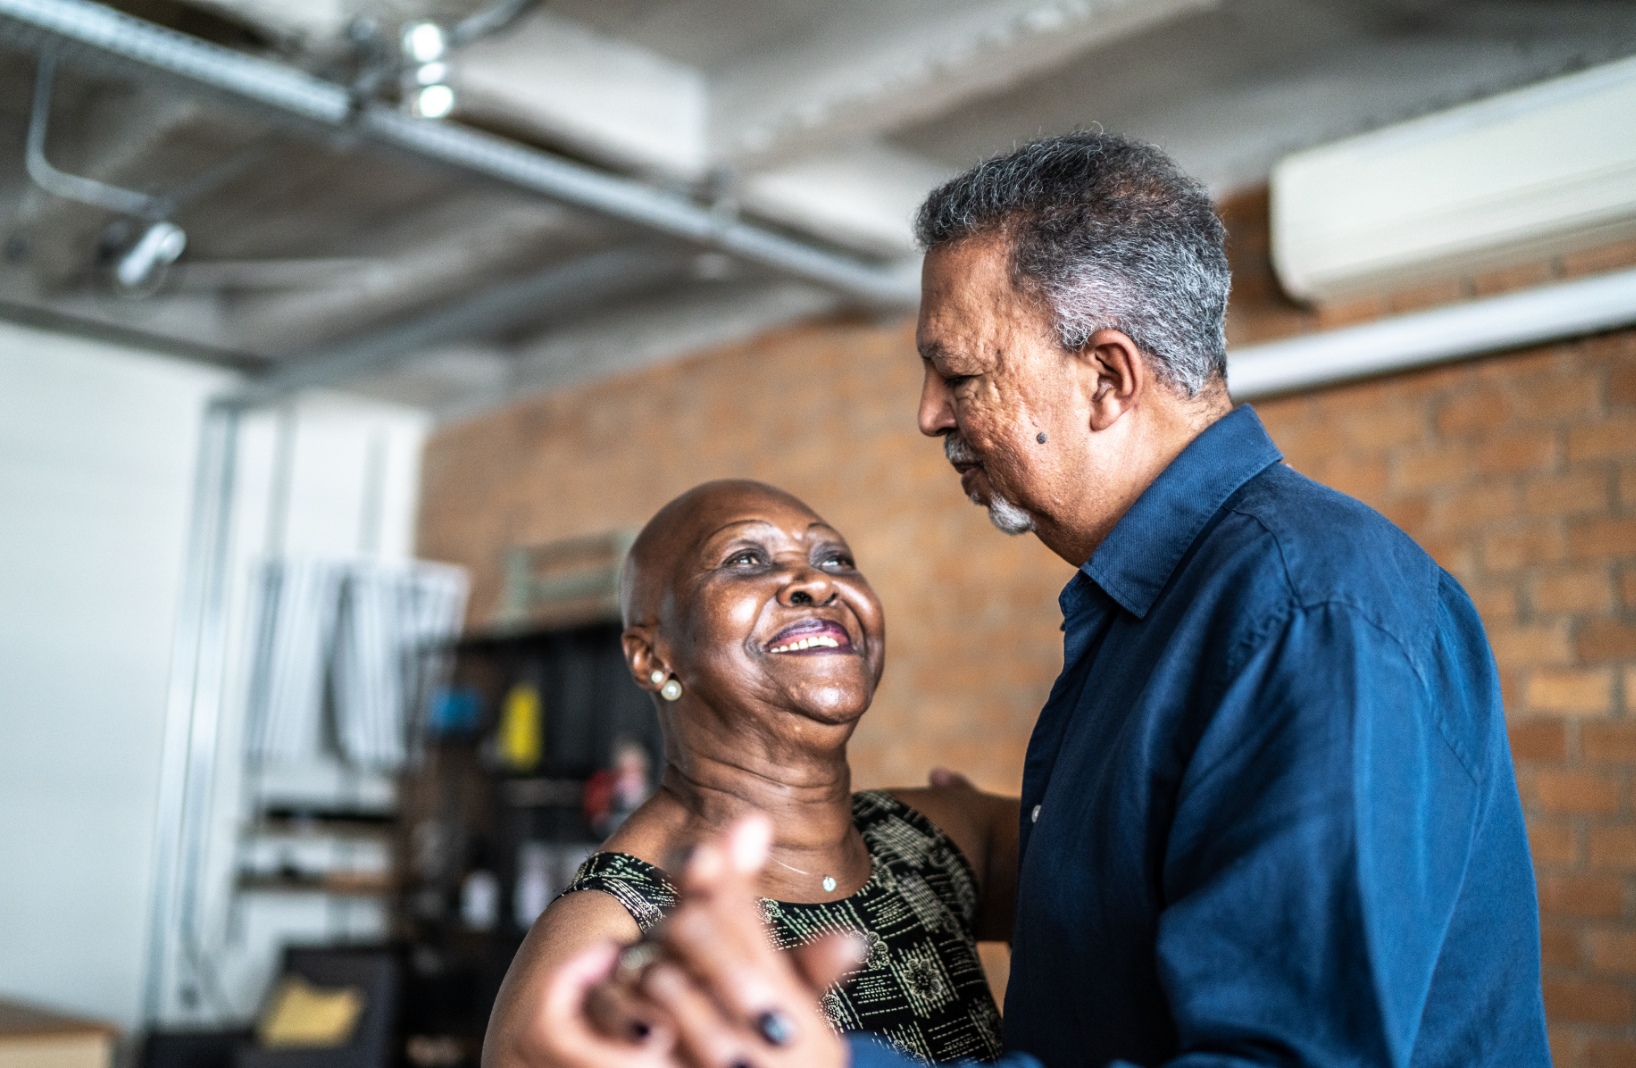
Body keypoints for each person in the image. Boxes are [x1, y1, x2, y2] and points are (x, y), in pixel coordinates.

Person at [537, 132, 1552, 1067]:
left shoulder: (1304, 616)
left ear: (1106, 379)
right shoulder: (1145, 627)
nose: (928, 414)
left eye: (960, 376)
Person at [482, 479, 1019, 1067]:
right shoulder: (605, 948)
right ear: (651, 655)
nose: (818, 583)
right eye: (745, 560)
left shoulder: (941, 838)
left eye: (835, 559)